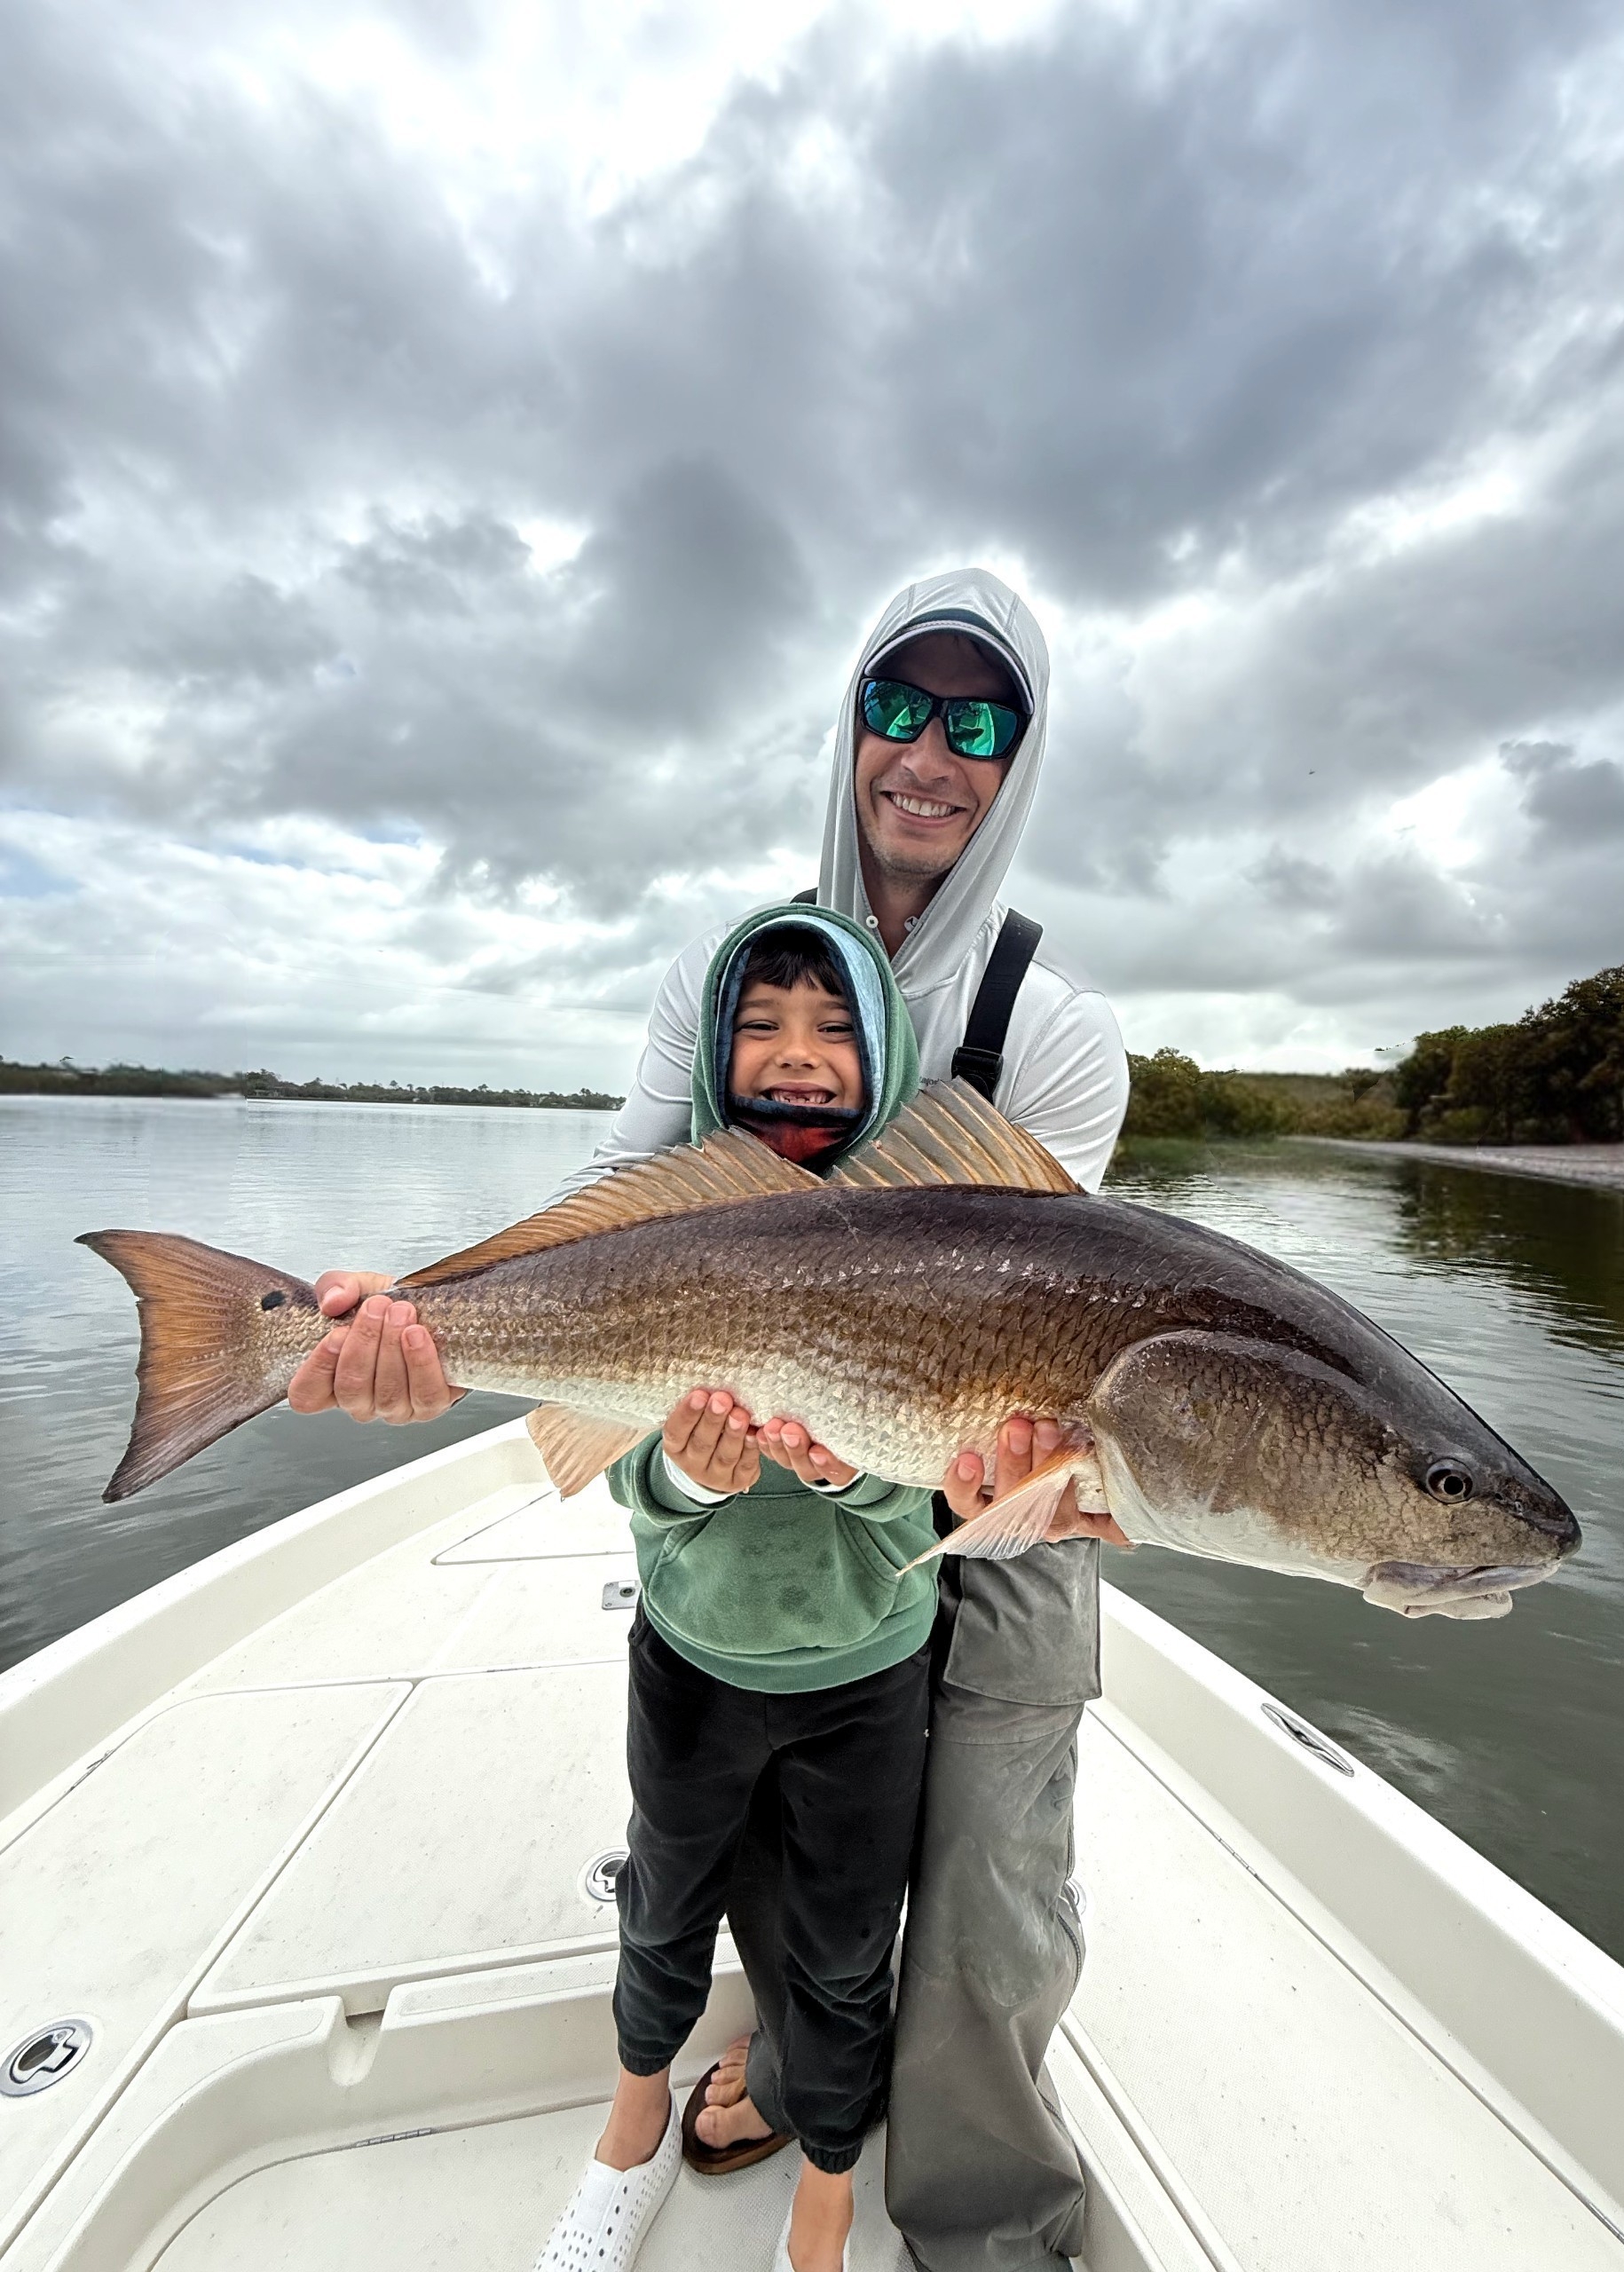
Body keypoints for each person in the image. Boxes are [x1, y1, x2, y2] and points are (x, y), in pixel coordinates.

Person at [289, 569, 1131, 2272]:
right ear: (852, 723)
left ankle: (959, 2200)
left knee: (980, 1857)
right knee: (745, 1763)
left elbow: (1064, 1297)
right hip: (759, 1407)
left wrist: (973, 1464)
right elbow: (632, 1194)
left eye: (979, 722)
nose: (930, 753)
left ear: (1018, 758)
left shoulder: (1056, 1027)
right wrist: (426, 1318)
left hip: (984, 1444)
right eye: (903, 705)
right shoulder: (729, 965)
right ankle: (793, 2050)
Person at [532, 903, 941, 2272]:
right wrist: (695, 1480)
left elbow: (929, 1513)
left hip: (867, 1677)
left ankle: (826, 2185)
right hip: (692, 1658)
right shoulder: (661, 1240)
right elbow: (614, 1464)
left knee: (841, 1953)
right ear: (713, 1057)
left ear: (883, 1057)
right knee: (661, 1905)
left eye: (834, 1027)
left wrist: (849, 1478)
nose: (798, 1054)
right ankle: (634, 2117)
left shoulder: (933, 1244)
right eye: (759, 1025)